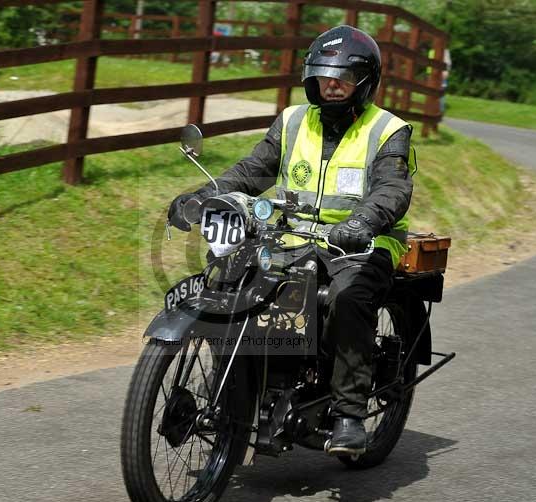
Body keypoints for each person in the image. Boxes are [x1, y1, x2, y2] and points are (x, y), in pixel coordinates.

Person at [167, 25, 416, 456]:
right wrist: (206, 195)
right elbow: (252, 171)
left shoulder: (388, 129)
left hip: (360, 244)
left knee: (347, 296)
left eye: (342, 77)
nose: (331, 84)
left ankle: (349, 414)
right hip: (289, 238)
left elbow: (393, 188)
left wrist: (365, 220)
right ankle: (243, 387)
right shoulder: (293, 120)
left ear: (365, 81)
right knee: (232, 277)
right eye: (323, 75)